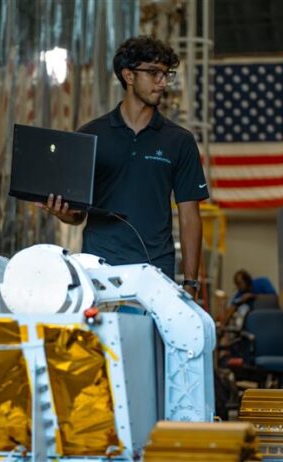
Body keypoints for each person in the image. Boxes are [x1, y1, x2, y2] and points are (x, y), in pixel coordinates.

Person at [38, 36, 209, 296]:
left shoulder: (180, 140)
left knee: (152, 338)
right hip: (98, 269)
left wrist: (191, 283)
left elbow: (189, 217)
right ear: (128, 75)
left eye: (166, 74)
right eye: (154, 73)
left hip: (156, 272)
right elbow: (78, 215)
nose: (163, 82)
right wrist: (61, 212)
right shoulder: (90, 135)